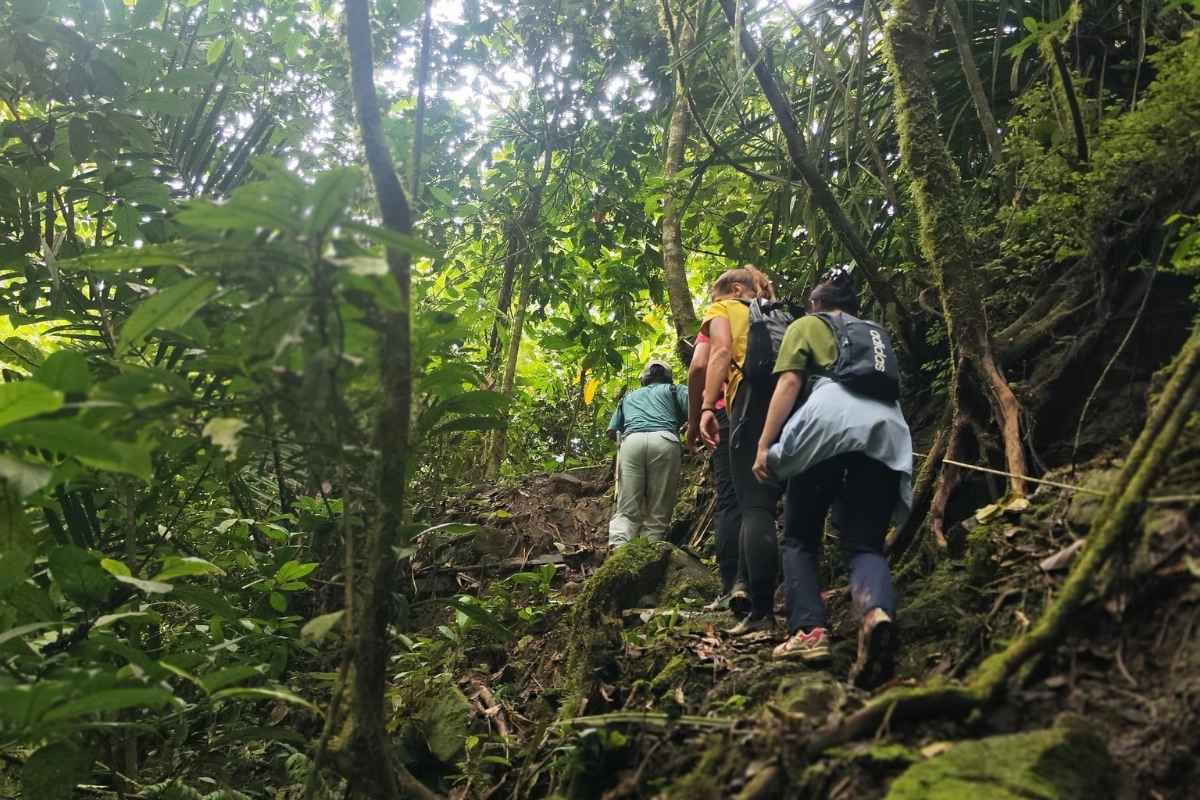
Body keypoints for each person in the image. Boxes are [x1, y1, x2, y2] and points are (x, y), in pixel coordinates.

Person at [752, 269, 913, 687]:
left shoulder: (808, 325)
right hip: (884, 430)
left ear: (816, 305)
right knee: (864, 544)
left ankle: (809, 631)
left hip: (828, 424)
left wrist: (765, 445)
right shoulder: (875, 334)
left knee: (799, 537)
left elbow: (790, 381)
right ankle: (876, 613)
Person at [698, 266, 784, 636]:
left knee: (755, 506)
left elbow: (718, 352)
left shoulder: (726, 309)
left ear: (734, 290)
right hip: (795, 401)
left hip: (751, 402)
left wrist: (706, 407)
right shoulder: (779, 313)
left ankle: (761, 611)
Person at [688, 329, 743, 611]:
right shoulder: (770, 313)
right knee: (759, 501)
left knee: (730, 499)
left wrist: (697, 416)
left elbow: (698, 366)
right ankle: (760, 586)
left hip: (727, 409)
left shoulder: (719, 316)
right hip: (769, 409)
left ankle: (732, 586)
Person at [607, 359, 689, 548]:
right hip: (664, 440)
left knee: (627, 508)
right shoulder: (675, 390)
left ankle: (618, 548)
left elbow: (612, 431)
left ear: (644, 378)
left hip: (631, 443)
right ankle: (650, 549)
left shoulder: (628, 397)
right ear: (668, 377)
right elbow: (694, 413)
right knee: (658, 509)